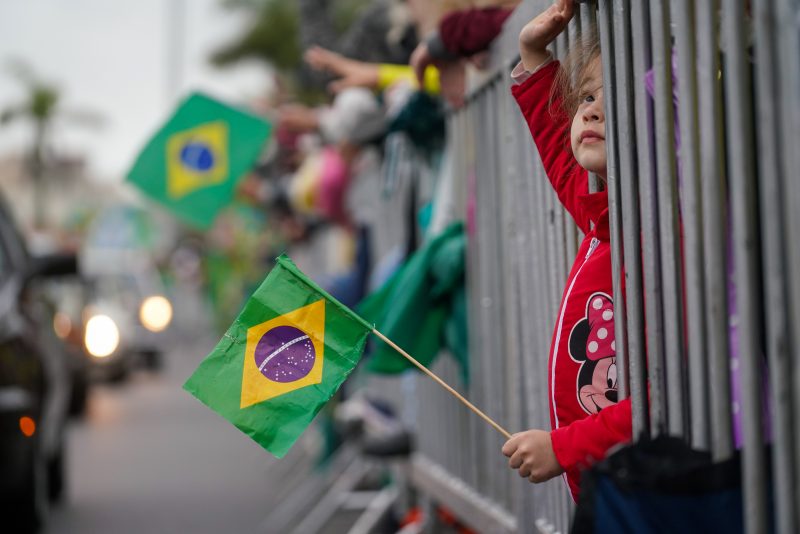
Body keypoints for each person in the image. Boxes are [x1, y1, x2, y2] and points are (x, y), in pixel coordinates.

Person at [500, 0, 631, 502]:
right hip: (611, 488)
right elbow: (560, 147)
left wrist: (565, 447)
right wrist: (533, 54)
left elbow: (672, 396)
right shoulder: (606, 220)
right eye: (586, 97)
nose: (592, 110)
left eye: (613, 99)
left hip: (651, 490)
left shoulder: (667, 238)